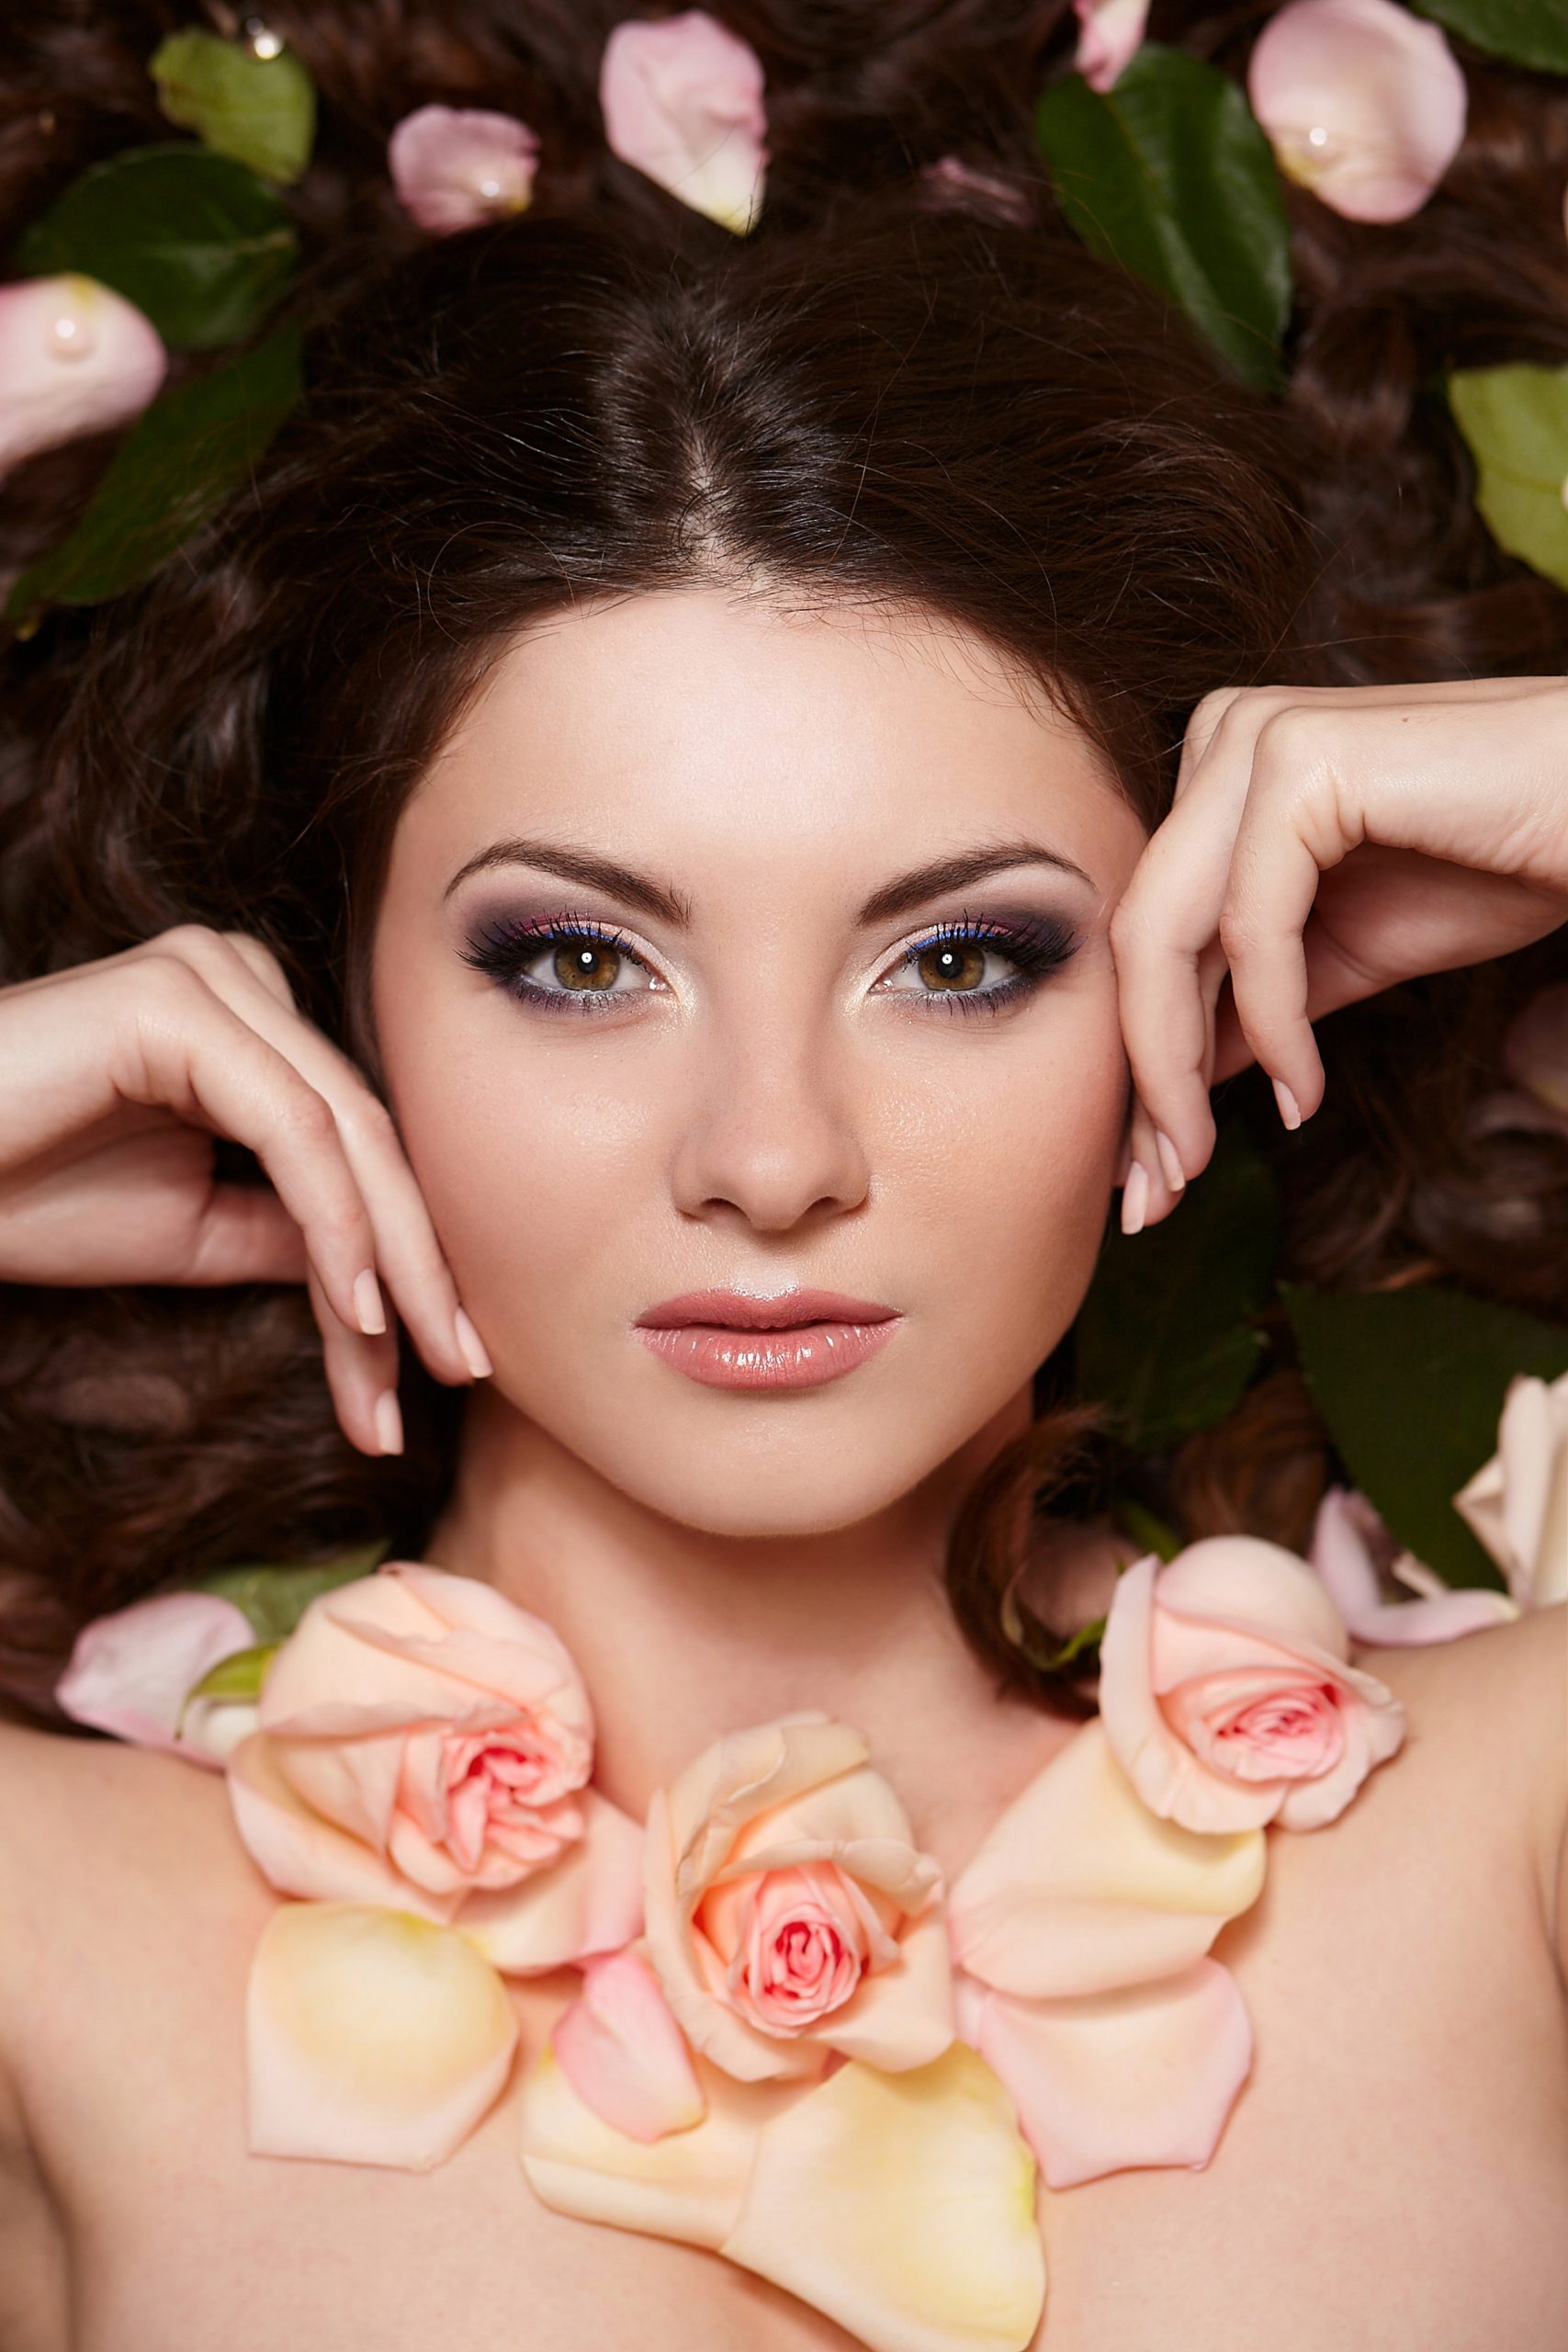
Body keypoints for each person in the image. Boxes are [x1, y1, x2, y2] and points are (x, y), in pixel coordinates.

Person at [0, 6, 1564, 2348]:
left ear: (1202, 958)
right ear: (334, 1000)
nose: (767, 1158)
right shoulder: (44, 1938)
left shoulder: (1512, 1831)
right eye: (572, 959)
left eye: (957, 958)